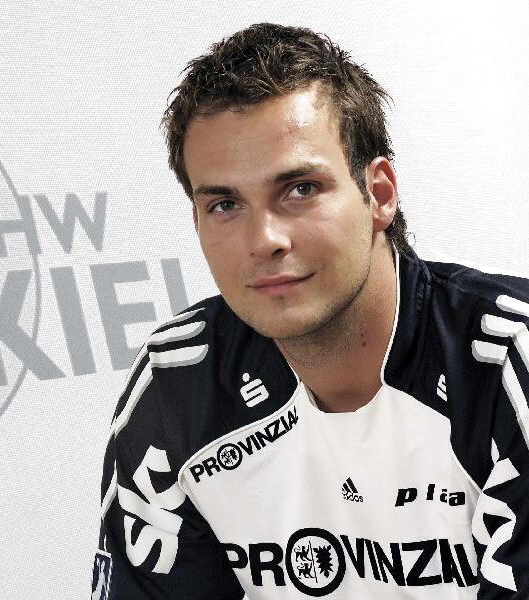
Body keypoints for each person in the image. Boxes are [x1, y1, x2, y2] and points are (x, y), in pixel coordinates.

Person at [92, 22, 529, 599]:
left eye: (299, 189)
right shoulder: (178, 383)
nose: (265, 239)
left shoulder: (509, 359)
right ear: (196, 221)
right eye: (225, 204)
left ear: (380, 194)